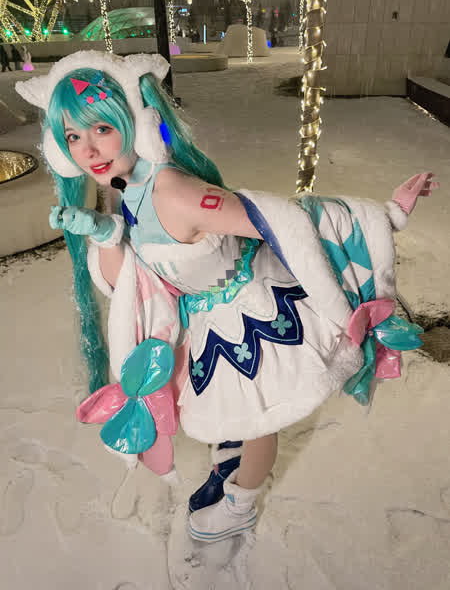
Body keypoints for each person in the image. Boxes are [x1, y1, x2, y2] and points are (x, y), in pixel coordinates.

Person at [16, 50, 436, 543]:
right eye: (73, 137)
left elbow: (283, 221)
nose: (88, 150)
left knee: (258, 420)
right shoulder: (123, 187)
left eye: (102, 129)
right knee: (231, 409)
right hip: (206, 317)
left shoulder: (174, 193)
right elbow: (126, 280)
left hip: (255, 316)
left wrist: (383, 217)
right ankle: (232, 460)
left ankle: (241, 504)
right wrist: (104, 233)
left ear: (135, 124)